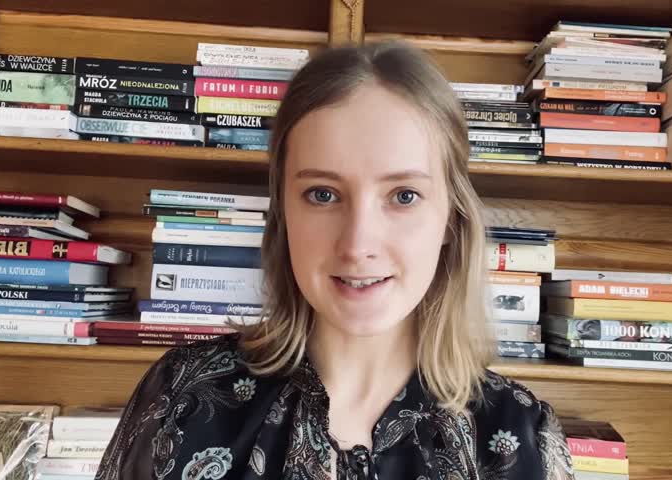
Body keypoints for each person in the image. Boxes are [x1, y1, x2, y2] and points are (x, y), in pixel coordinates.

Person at [95, 41, 574, 480]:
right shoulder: (180, 396)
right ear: (283, 212)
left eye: (404, 195)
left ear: (450, 218)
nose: (357, 245)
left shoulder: (522, 435)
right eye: (322, 194)